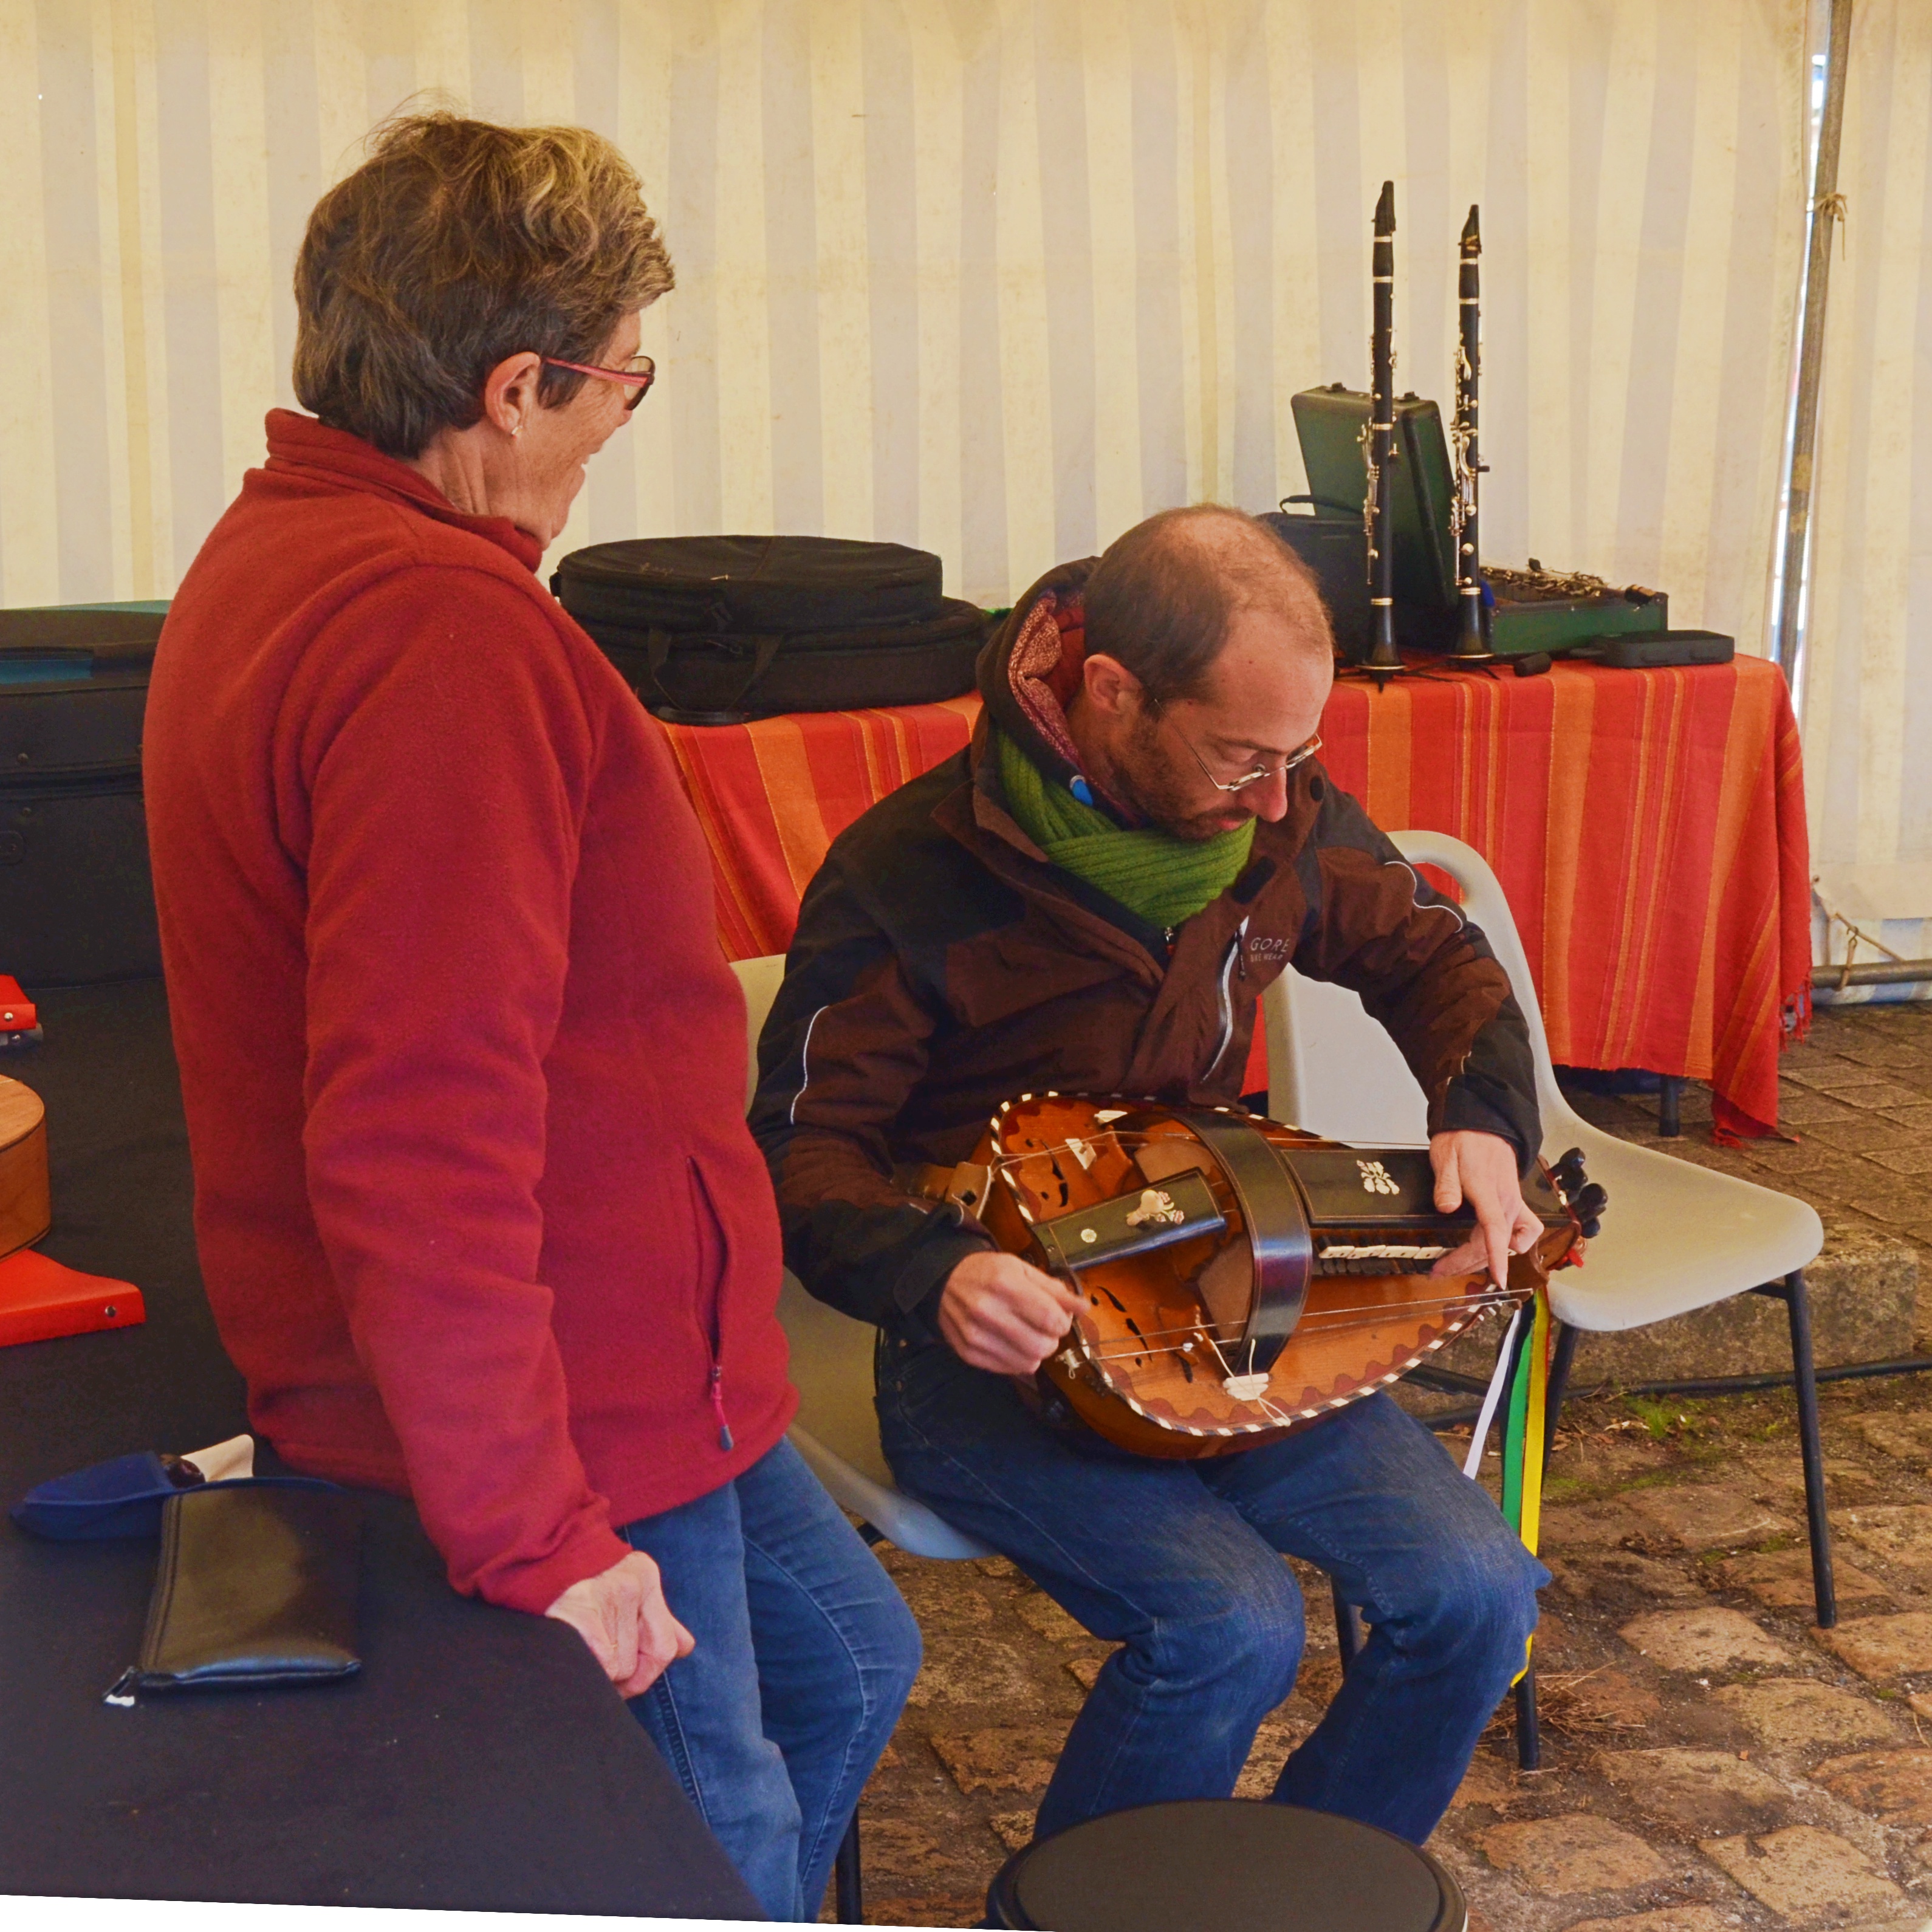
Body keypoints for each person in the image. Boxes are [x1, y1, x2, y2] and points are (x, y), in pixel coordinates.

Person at [143, 112, 917, 1922]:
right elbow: (417, 1129)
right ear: (513, 388)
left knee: (849, 1664)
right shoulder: (442, 635)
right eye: (618, 387)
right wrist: (533, 1528)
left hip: (650, 1368)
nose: (614, 432)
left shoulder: (287, 546)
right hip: (574, 1403)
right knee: (705, 1836)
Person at [750, 505, 1547, 1848]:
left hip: (1221, 1295)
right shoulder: (911, 871)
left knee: (1477, 1596)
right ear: (1113, 694)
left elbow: (1435, 957)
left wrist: (1482, 1115)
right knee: (1230, 1630)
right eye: (1242, 756)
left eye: (1299, 757)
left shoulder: (1277, 818)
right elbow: (798, 1144)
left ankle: (1299, 1893)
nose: (1278, 799)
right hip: (992, 1354)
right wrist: (937, 1275)